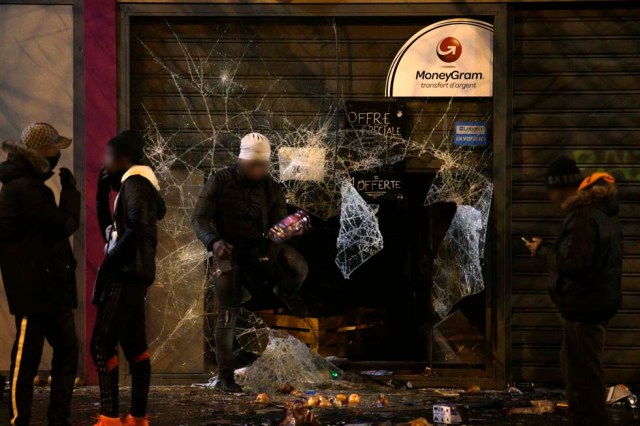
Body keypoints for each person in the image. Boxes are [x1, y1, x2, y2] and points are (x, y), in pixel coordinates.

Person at [192, 132, 308, 393]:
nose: (257, 171)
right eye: (251, 165)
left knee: (298, 266)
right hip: (228, 250)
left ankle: (285, 291)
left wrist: (288, 230)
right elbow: (199, 218)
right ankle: (225, 377)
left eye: (262, 166)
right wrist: (214, 241)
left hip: (260, 249)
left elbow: (278, 225)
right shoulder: (220, 180)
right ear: (241, 161)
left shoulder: (272, 187)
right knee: (226, 310)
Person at [523, 156, 622, 426]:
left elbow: (572, 263)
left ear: (562, 186)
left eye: (551, 190)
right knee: (577, 371)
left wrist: (541, 250)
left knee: (583, 376)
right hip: (588, 306)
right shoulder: (597, 212)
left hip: (585, 308)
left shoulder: (583, 216)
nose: (550, 197)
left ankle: (589, 420)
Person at [0, 123, 80, 426]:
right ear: (41, 153)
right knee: (27, 358)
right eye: (55, 148)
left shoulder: (28, 186)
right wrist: (71, 196)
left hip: (49, 287)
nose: (59, 153)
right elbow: (62, 225)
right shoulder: (25, 189)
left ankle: (55, 417)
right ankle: (22, 419)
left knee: (58, 352)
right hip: (37, 290)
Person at [91, 130, 166, 426]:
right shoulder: (133, 184)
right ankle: (137, 416)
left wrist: (110, 263)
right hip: (132, 273)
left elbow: (136, 228)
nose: (105, 162)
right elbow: (111, 232)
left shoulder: (134, 183)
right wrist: (101, 196)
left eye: (109, 156)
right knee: (135, 347)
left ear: (124, 158)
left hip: (127, 273)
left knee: (101, 343)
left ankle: (109, 417)